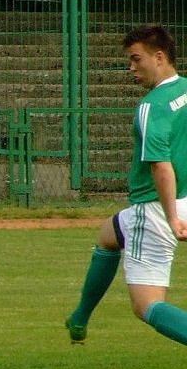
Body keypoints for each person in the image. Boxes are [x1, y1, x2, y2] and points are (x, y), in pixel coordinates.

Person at [66, 25, 187, 346]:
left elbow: (161, 166)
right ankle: (79, 318)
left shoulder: (152, 106)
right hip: (184, 200)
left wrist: (171, 217)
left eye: (136, 59)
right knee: (109, 235)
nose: (131, 67)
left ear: (159, 57)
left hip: (158, 208)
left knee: (146, 304)